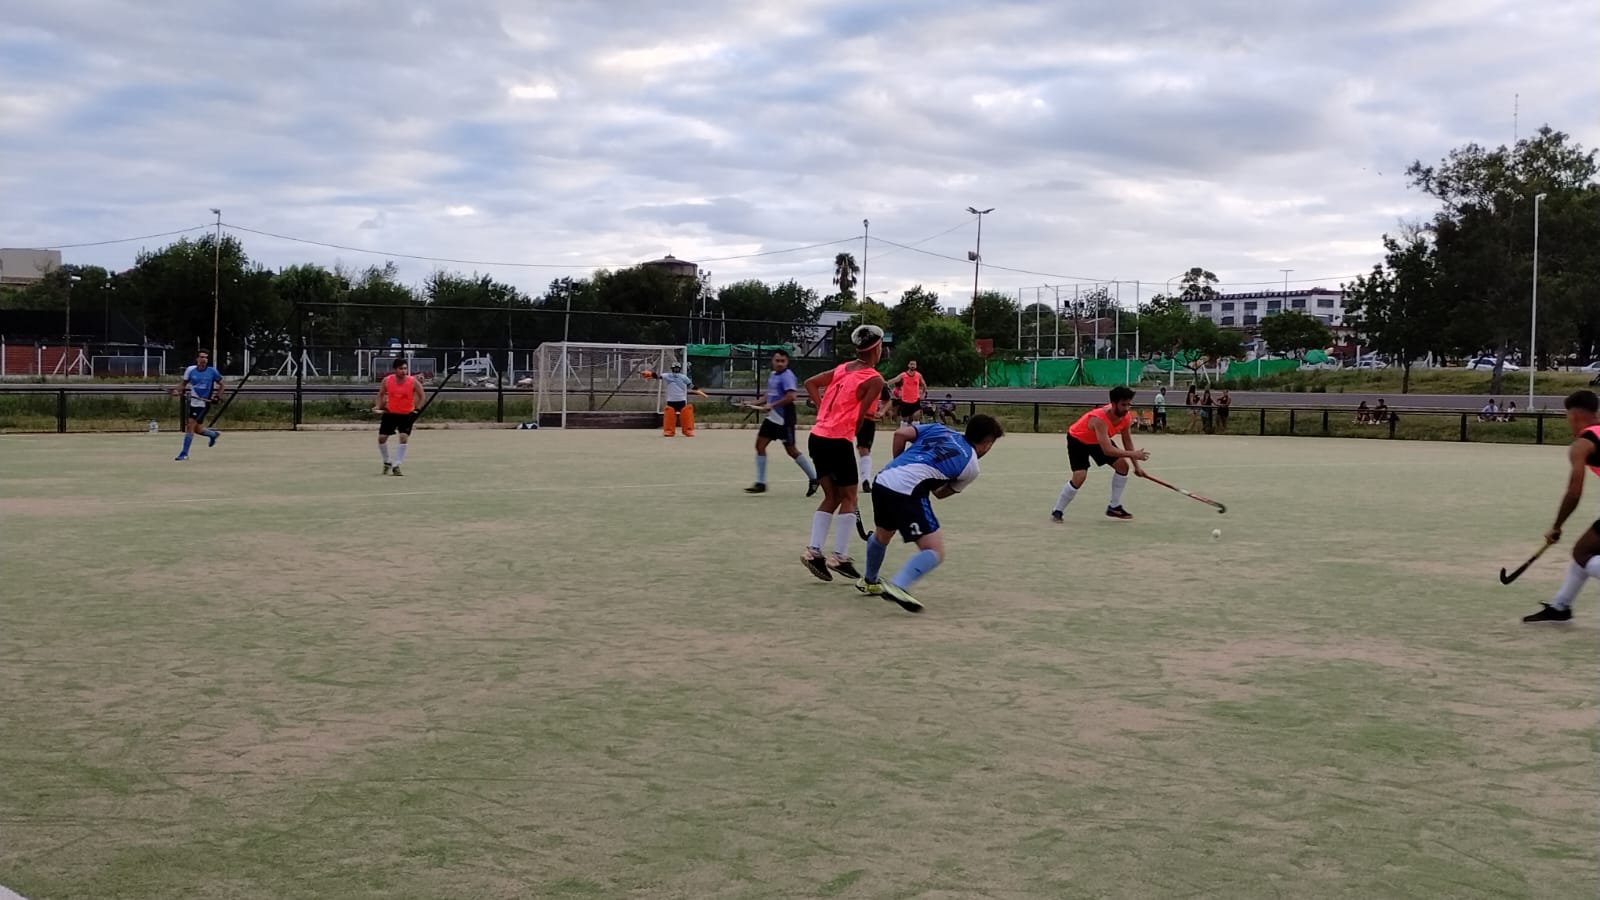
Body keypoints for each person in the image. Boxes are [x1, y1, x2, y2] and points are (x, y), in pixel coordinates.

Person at [856, 415, 1005, 613]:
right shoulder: (971, 467)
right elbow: (940, 494)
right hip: (906, 490)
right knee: (934, 551)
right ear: (987, 443)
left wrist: (900, 462)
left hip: (883, 480)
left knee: (883, 534)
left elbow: (900, 434)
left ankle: (869, 580)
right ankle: (898, 584)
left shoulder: (939, 428)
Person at [800, 325, 887, 581]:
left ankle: (813, 551)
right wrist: (850, 426)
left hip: (817, 436)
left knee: (831, 496)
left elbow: (810, 383)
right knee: (849, 497)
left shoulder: (842, 368)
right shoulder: (874, 379)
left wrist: (823, 410)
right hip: (838, 440)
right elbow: (863, 417)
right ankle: (838, 555)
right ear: (877, 348)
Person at [1524, 390, 1600, 623]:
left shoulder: (1582, 444)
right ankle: (1560, 607)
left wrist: (1556, 526)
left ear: (1574, 416)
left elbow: (1574, 492)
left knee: (1583, 553)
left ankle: (1560, 607)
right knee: (1583, 551)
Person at [1051, 386, 1150, 523]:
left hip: (1098, 440)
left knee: (1123, 467)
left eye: (1129, 404)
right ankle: (1057, 510)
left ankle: (1114, 507)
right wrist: (1133, 454)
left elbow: (1127, 440)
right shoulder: (1099, 419)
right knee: (1079, 476)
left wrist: (1136, 466)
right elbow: (1107, 450)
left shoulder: (1125, 417)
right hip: (1078, 440)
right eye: (1123, 404)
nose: (1127, 408)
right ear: (1113, 403)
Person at [746, 349, 819, 496]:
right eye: (777, 361)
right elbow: (770, 394)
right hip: (772, 418)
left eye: (783, 361)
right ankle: (760, 483)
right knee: (760, 445)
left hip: (785, 418)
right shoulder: (773, 375)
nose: (779, 364)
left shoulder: (787, 376)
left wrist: (772, 405)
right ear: (772, 361)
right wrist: (755, 402)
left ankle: (814, 478)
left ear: (787, 362)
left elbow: (791, 396)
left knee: (791, 450)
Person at [372, 357, 425, 475]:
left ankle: (397, 464)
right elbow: (380, 395)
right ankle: (386, 462)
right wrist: (377, 406)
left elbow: (422, 396)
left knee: (403, 437)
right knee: (381, 439)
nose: (404, 371)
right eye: (401, 368)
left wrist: (417, 410)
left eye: (405, 368)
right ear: (395, 369)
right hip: (390, 414)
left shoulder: (412, 381)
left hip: (406, 415)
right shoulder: (387, 380)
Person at [170, 349, 223, 461]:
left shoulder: (212, 371)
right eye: (202, 357)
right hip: (193, 403)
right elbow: (183, 384)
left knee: (189, 426)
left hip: (203, 404)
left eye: (206, 357)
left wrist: (217, 396)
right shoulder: (190, 370)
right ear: (197, 359)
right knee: (197, 429)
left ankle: (184, 454)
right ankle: (213, 435)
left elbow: (222, 384)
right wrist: (176, 391)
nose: (204, 359)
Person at [649, 363, 704, 436]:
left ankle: (688, 430)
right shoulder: (667, 376)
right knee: (669, 415)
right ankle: (669, 430)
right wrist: (650, 374)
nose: (676, 370)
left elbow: (691, 385)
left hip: (681, 399)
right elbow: (658, 376)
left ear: (679, 369)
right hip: (671, 400)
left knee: (686, 415)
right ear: (672, 369)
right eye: (674, 368)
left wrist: (699, 391)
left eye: (677, 368)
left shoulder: (683, 377)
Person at [885, 359, 925, 426]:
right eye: (911, 364)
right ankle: (903, 433)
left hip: (915, 400)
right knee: (905, 420)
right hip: (905, 400)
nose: (912, 366)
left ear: (916, 366)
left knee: (916, 417)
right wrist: (886, 382)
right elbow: (895, 379)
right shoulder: (903, 375)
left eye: (914, 364)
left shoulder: (918, 375)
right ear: (908, 365)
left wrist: (923, 394)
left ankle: (915, 433)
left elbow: (924, 385)